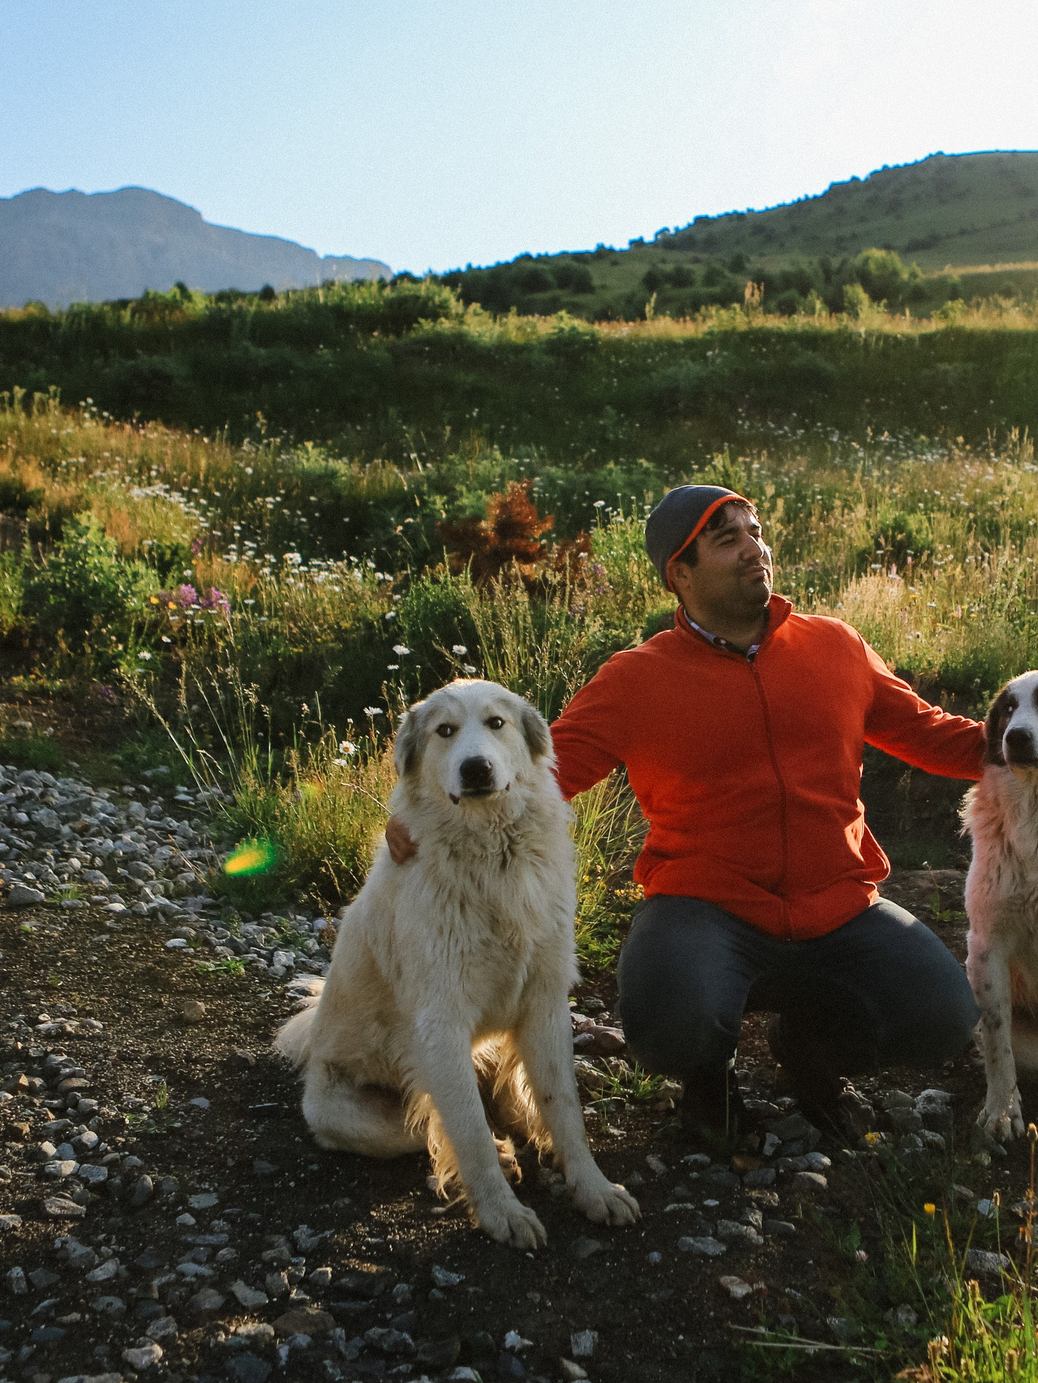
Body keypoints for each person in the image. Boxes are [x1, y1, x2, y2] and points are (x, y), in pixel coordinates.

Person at [389, 484, 984, 1146]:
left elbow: (933, 734)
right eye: (727, 539)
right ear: (680, 572)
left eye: (755, 531)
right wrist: (426, 813)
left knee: (946, 1014)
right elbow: (535, 776)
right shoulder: (637, 678)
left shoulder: (836, 647)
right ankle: (709, 1084)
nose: (753, 548)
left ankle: (811, 1051)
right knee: (669, 1020)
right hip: (706, 909)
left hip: (839, 907)